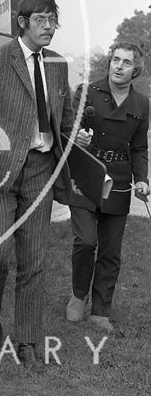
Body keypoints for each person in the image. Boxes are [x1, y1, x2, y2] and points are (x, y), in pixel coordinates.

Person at [0, 0, 74, 369]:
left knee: (34, 261)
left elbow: (64, 118)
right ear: (22, 22)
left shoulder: (57, 65)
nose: (49, 27)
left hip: (41, 171)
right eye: (42, 20)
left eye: (53, 20)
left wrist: (74, 139)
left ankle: (27, 339)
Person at [66, 42, 149, 332]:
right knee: (85, 241)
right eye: (116, 60)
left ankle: (101, 310)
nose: (119, 66)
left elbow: (139, 148)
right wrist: (77, 137)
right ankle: (78, 295)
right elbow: (69, 127)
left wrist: (142, 179)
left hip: (120, 180)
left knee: (111, 250)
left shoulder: (141, 104)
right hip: (86, 175)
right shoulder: (88, 91)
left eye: (126, 62)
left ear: (135, 69)